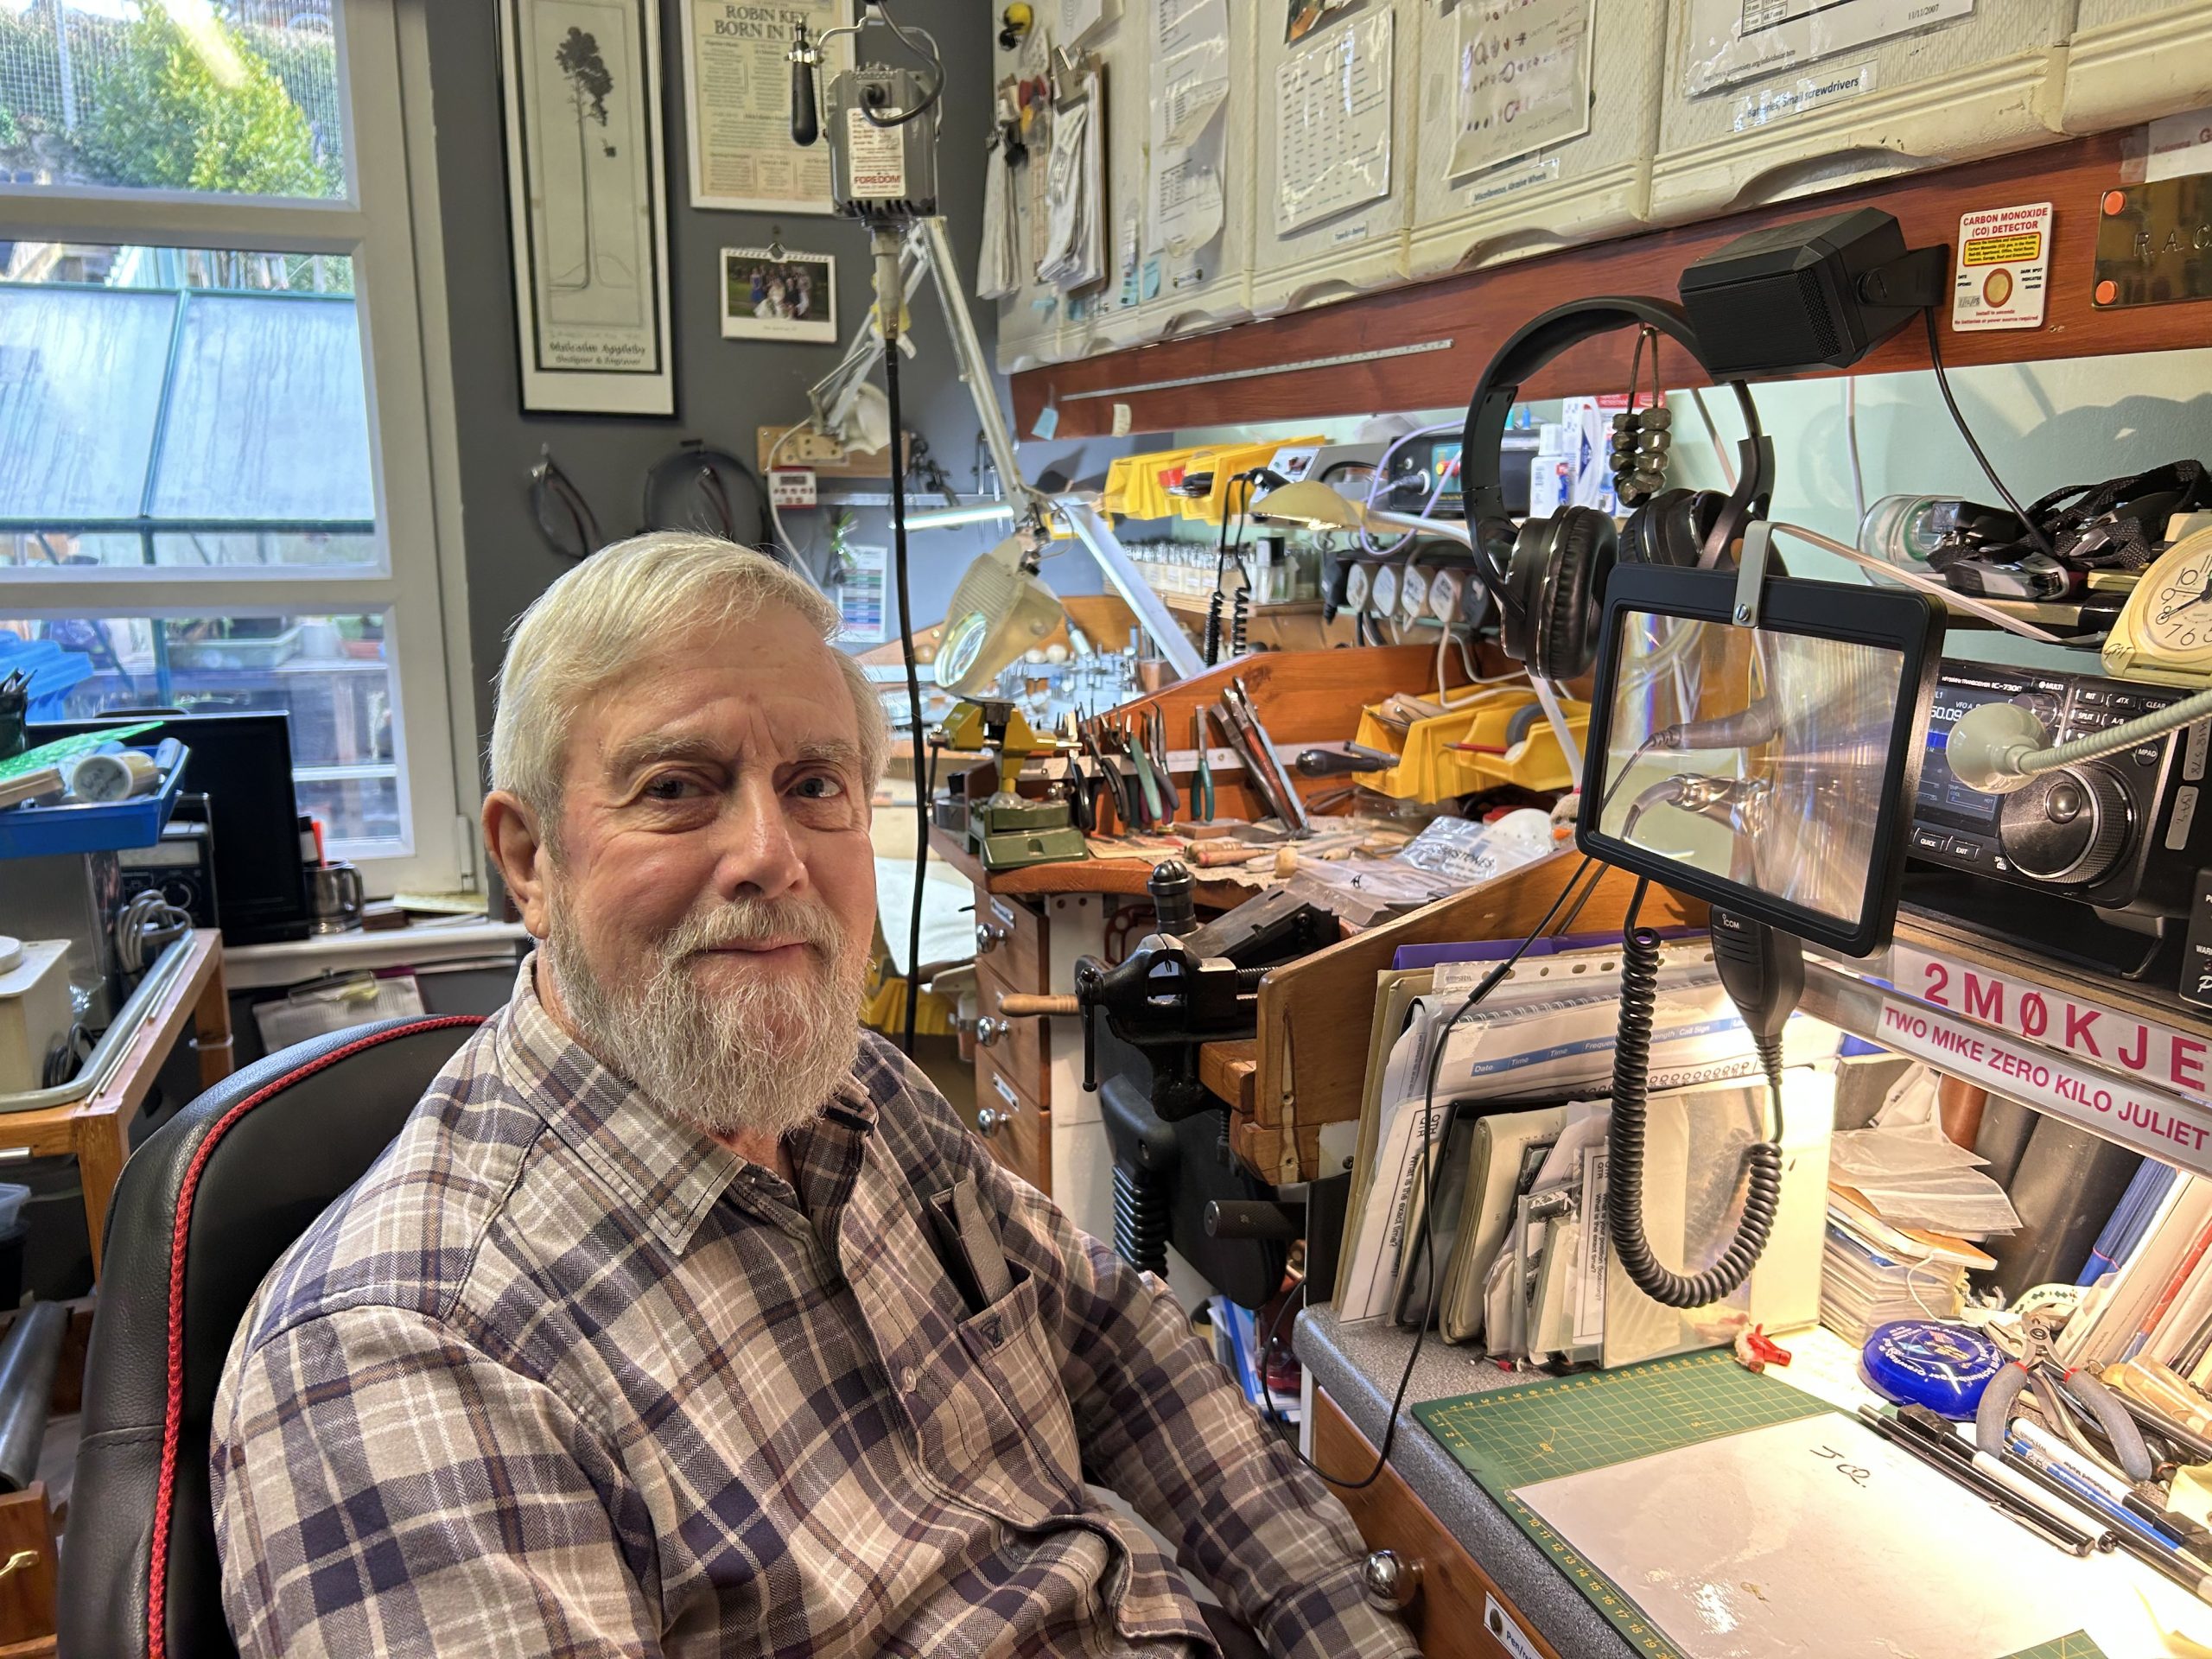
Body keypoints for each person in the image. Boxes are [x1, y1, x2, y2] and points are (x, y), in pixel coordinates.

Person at [211, 533, 1417, 1658]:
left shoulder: (860, 1099)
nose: (772, 856)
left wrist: (1348, 1637)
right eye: (678, 787)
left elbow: (1118, 1348)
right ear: (530, 860)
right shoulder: (401, 1364)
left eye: (815, 785)